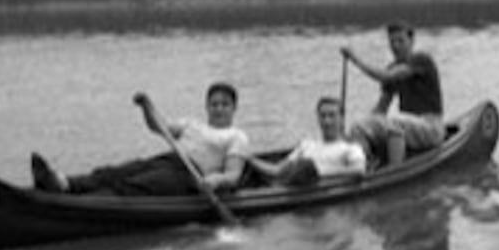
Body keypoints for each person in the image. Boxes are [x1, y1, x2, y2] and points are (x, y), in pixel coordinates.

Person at [31, 83, 249, 196]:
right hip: (169, 160)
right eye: (214, 104)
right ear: (207, 106)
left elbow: (233, 175)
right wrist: (146, 107)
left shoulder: (236, 136)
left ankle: (78, 201)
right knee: (118, 171)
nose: (218, 108)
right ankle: (64, 183)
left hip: (191, 176)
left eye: (224, 104)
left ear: (234, 108)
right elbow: (158, 126)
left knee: (137, 185)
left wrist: (216, 181)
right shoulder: (192, 124)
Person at [341, 21, 444, 167]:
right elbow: (381, 109)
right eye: (392, 42)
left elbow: (387, 76)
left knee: (394, 122)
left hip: (430, 126)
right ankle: (362, 166)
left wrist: (355, 60)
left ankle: (394, 170)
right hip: (407, 127)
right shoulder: (392, 68)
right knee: (359, 126)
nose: (396, 46)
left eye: (401, 41)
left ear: (411, 41)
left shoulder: (421, 60)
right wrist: (360, 130)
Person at [245, 96, 366, 186]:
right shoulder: (307, 145)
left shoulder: (350, 148)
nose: (327, 121)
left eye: (332, 116)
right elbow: (277, 170)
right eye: (323, 116)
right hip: (292, 187)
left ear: (341, 118)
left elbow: (359, 170)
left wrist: (319, 173)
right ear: (318, 118)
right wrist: (249, 159)